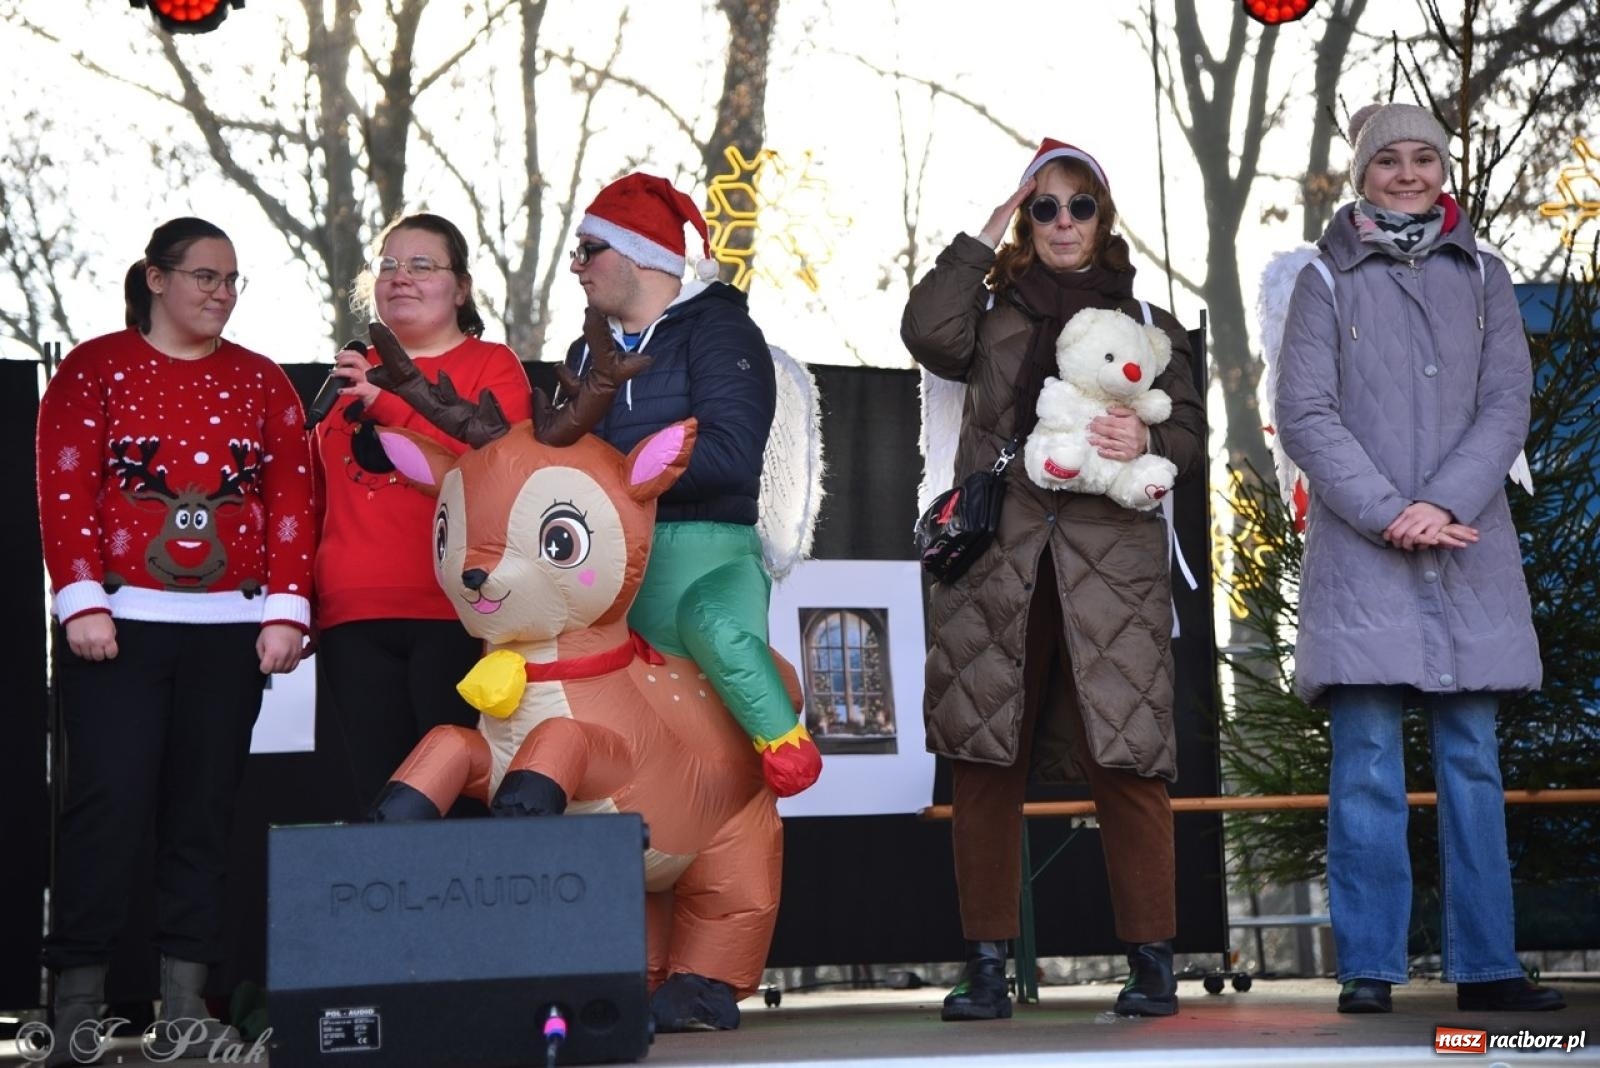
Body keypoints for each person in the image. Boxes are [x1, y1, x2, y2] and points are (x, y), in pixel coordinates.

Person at [902, 140, 1205, 1021]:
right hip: (1000, 556)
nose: (1062, 223)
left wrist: (1146, 443)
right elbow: (926, 331)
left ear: (1103, 218)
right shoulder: (991, 311)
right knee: (982, 756)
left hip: (1113, 560)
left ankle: (1153, 960)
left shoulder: (1147, 318)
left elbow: (1187, 434)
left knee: (1130, 757)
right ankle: (987, 963)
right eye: (1045, 207)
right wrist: (988, 227)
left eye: (1079, 206)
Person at [1274, 102, 1564, 1016]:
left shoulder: (1484, 275)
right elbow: (1306, 413)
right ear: (1361, 173)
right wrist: (1395, 513)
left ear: (1444, 170)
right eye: (1388, 160)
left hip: (1467, 547)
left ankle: (1488, 968)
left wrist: (1441, 504)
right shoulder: (1323, 278)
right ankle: (1370, 965)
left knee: (1471, 758)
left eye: (1423, 159)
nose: (1407, 174)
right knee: (1364, 762)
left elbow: (1507, 406)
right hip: (1363, 556)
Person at [36, 217, 314, 1063]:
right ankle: (75, 1005)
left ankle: (186, 1006)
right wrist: (79, 596)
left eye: (232, 280)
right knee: (106, 808)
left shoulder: (263, 382)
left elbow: (294, 497)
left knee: (202, 815)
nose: (220, 293)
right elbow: (66, 480)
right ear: (156, 279)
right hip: (115, 631)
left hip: (230, 632)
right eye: (204, 276)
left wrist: (285, 608)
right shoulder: (95, 369)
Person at [560, 172, 821, 799]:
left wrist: (615, 482)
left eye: (588, 250)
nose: (576, 268)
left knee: (716, 634)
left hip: (704, 553)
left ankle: (785, 745)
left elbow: (730, 457)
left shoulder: (721, 332)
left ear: (640, 255)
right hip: (610, 573)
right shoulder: (581, 353)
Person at [313, 212, 532, 817]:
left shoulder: (491, 366)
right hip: (352, 618)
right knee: (379, 803)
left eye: (421, 266)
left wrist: (392, 405)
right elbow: (320, 497)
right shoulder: (350, 375)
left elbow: (500, 471)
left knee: (457, 799)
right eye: (388, 266)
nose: (400, 277)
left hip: (455, 614)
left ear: (460, 288)